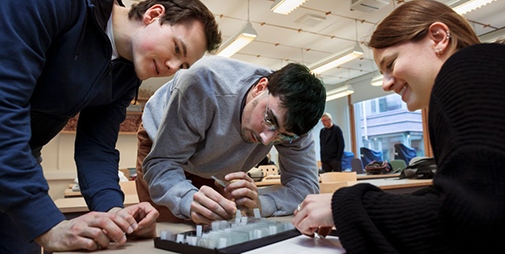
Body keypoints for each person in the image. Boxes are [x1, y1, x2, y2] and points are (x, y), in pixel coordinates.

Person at [0, 0, 222, 252]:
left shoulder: (127, 74)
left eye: (182, 66)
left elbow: (97, 147)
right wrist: (48, 225)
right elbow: (3, 111)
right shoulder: (54, 6)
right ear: (154, 14)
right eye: (176, 48)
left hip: (16, 161)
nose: (172, 68)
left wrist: (116, 213)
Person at [292, 0, 504, 253]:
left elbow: (474, 221)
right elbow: (465, 198)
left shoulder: (465, 69)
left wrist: (343, 206)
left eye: (390, 64)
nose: (385, 84)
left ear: (438, 38)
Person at [135, 55, 326, 225]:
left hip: (213, 165)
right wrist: (186, 200)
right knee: (165, 227)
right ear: (260, 87)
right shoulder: (203, 83)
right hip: (162, 143)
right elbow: (162, 163)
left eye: (282, 136)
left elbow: (305, 186)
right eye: (269, 120)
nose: (266, 140)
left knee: (217, 222)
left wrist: (263, 204)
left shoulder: (294, 120)